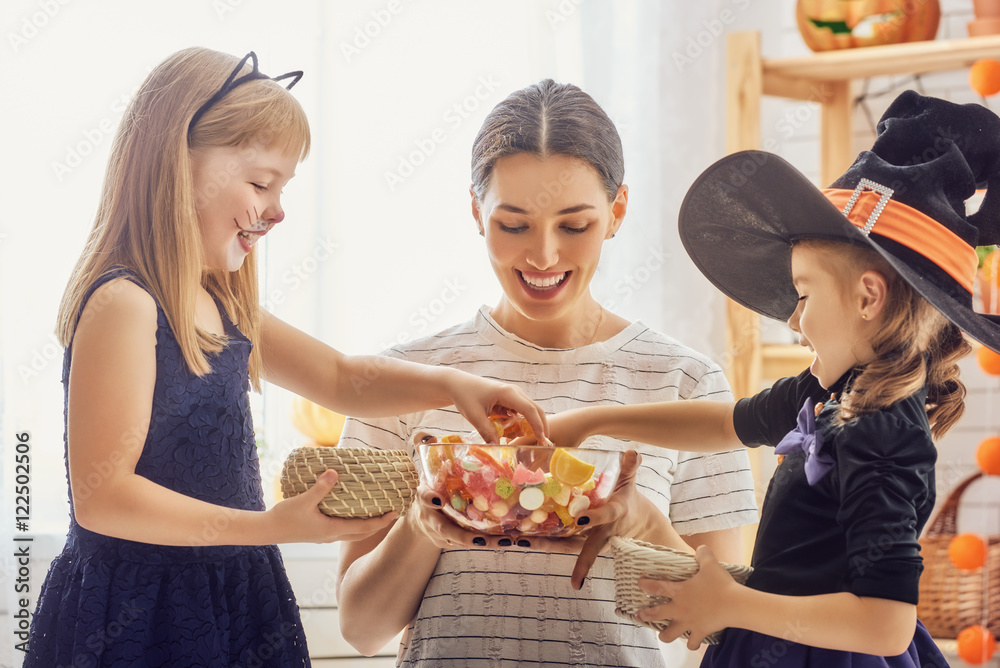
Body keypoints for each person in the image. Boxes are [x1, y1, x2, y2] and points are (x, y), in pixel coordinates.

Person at [24, 47, 547, 668]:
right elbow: (104, 497)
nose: (277, 210)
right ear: (176, 166)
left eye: (283, 187)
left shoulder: (221, 302)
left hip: (233, 590)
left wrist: (455, 384)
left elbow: (342, 379)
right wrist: (275, 526)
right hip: (140, 612)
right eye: (260, 183)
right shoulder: (125, 303)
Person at [545, 90, 1000, 667]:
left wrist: (734, 603)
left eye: (804, 294)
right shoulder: (831, 389)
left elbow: (886, 624)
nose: (792, 318)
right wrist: (588, 421)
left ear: (868, 297)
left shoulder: (886, 429)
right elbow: (724, 424)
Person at [334, 79, 759, 668]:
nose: (542, 256)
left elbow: (723, 630)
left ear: (617, 212)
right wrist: (423, 523)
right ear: (475, 211)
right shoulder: (406, 380)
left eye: (574, 225)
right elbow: (359, 628)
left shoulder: (686, 384)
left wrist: (638, 520)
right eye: (513, 225)